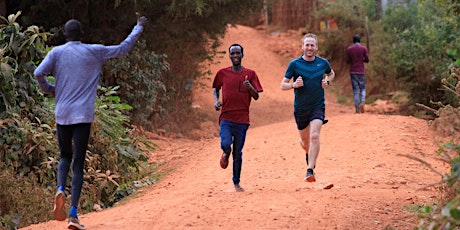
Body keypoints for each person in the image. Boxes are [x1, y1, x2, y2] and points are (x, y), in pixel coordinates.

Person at [34, 13, 148, 230]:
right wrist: (138, 27)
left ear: (65, 34)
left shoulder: (56, 53)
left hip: (63, 114)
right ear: (81, 34)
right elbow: (123, 48)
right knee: (78, 164)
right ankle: (73, 215)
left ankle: (60, 187)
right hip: (83, 115)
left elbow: (38, 72)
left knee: (64, 156)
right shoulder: (94, 51)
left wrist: (51, 90)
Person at [280, 33, 335, 182]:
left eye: (312, 45)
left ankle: (310, 170)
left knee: (315, 135)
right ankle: (309, 153)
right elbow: (282, 85)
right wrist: (293, 84)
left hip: (317, 106)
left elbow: (331, 74)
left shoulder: (323, 63)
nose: (309, 47)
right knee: (306, 143)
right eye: (307, 45)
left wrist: (327, 82)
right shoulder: (295, 64)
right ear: (303, 46)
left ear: (316, 47)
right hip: (301, 108)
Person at [212, 44, 263, 192]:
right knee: (226, 144)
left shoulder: (251, 74)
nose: (235, 56)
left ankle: (236, 182)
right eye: (232, 53)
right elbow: (216, 88)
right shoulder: (222, 73)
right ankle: (225, 153)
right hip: (226, 118)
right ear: (229, 56)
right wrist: (216, 101)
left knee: (238, 153)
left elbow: (257, 96)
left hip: (242, 120)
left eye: (238, 53)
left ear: (242, 55)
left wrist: (250, 88)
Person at [346, 34, 370, 114]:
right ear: (360, 40)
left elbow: (348, 61)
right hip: (361, 71)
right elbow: (367, 59)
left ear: (353, 40)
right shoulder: (363, 48)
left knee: (356, 90)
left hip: (353, 71)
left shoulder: (349, 49)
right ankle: (362, 102)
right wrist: (362, 59)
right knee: (362, 88)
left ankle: (357, 109)